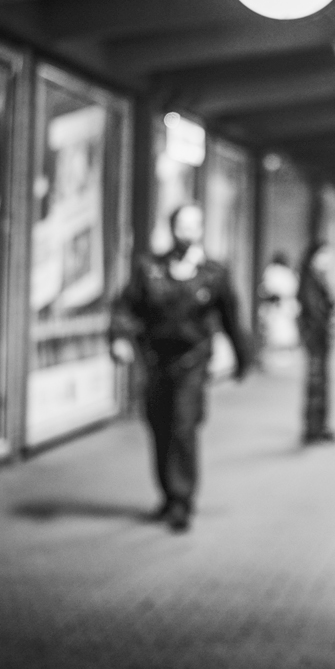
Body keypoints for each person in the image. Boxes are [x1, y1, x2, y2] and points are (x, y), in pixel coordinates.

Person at [112, 203, 251, 533]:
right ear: (171, 228)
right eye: (180, 225)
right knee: (159, 426)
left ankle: (181, 500)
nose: (186, 232)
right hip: (156, 361)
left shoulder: (214, 273)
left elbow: (232, 317)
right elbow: (126, 306)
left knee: (183, 427)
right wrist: (119, 336)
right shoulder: (149, 268)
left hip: (193, 363)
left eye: (193, 225)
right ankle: (166, 493)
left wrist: (244, 358)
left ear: (201, 229)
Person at [297, 241, 335, 445]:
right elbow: (315, 311)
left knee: (321, 382)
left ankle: (319, 426)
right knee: (316, 381)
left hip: (320, 338)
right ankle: (313, 428)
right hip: (315, 339)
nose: (328, 260)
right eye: (324, 255)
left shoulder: (318, 279)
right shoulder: (309, 280)